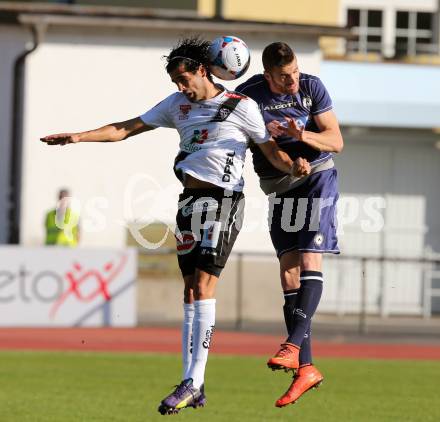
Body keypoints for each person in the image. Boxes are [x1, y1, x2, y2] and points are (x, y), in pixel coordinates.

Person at [40, 37, 311, 415]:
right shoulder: (176, 105)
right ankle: (192, 383)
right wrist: (78, 136)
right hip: (189, 203)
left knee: (203, 286)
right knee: (188, 292)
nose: (180, 88)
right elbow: (126, 127)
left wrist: (293, 165)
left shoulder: (241, 107)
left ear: (202, 70)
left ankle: (194, 381)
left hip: (223, 201)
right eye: (175, 83)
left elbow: (271, 151)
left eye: (183, 80)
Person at [236, 42, 343, 407]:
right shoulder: (249, 97)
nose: (292, 80)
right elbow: (263, 145)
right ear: (268, 75)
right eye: (284, 76)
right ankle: (306, 369)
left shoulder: (312, 87)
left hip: (317, 179)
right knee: (288, 275)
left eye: (295, 71)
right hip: (280, 187)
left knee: (311, 259)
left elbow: (336, 140)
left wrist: (303, 137)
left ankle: (293, 345)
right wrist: (287, 162)